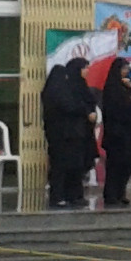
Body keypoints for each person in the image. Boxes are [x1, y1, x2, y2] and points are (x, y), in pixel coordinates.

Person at [40, 56, 96, 210]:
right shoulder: (57, 93)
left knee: (73, 166)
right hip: (62, 136)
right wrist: (85, 111)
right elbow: (69, 107)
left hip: (72, 135)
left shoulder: (64, 90)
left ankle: (72, 196)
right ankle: (58, 196)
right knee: (60, 167)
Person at [98, 59, 131, 205]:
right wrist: (130, 106)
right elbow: (115, 110)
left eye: (127, 69)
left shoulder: (128, 86)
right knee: (115, 165)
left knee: (127, 164)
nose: (126, 72)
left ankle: (120, 192)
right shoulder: (111, 88)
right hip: (115, 134)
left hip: (129, 132)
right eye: (123, 69)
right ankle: (111, 194)